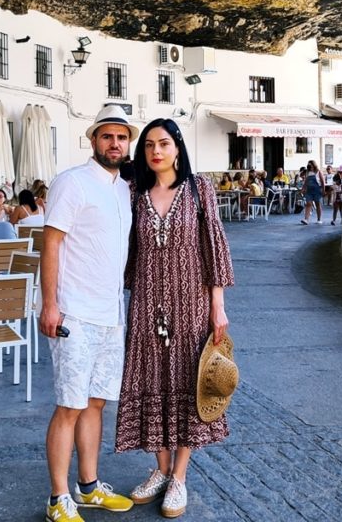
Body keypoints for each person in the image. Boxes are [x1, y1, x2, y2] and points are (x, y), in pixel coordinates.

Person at [116, 118, 234, 518]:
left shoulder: (199, 189)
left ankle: (179, 476)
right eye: (148, 145)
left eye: (164, 143)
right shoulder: (134, 193)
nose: (156, 151)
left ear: (178, 148)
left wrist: (217, 305)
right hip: (147, 303)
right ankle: (161, 469)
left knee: (188, 384)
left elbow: (214, 247)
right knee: (150, 381)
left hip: (192, 304)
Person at [39, 105, 139, 522]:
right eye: (107, 136)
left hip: (111, 314)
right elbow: (51, 244)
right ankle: (58, 499)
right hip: (74, 314)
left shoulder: (122, 188)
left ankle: (89, 486)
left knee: (96, 404)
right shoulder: (72, 182)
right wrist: (49, 304)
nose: (114, 143)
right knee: (69, 405)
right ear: (93, 140)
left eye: (121, 137)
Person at [300, 160, 323, 225]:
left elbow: (322, 181)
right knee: (308, 204)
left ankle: (319, 219)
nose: (309, 166)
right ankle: (306, 219)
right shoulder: (307, 172)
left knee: (317, 204)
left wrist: (323, 190)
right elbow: (306, 181)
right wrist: (303, 188)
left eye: (310, 164)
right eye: (308, 165)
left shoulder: (318, 172)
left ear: (313, 165)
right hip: (309, 191)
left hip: (317, 190)